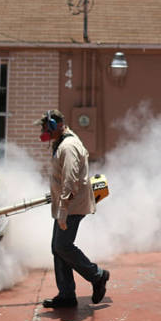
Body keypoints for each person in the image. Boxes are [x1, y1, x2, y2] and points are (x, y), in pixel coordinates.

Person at [36, 109, 109, 308]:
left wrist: (63, 208)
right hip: (65, 204)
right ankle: (67, 295)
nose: (44, 132)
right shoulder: (62, 142)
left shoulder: (68, 146)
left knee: (62, 246)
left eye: (45, 128)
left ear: (56, 125)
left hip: (71, 206)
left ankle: (97, 276)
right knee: (58, 248)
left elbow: (71, 180)